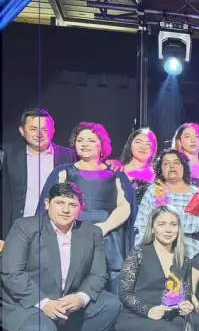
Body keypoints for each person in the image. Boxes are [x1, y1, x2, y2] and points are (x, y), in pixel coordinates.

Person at [1, 183, 120, 331]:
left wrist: (81, 297)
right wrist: (44, 302)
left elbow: (98, 274)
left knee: (109, 303)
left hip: (67, 301)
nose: (65, 209)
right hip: (29, 302)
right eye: (60, 203)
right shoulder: (25, 227)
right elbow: (11, 273)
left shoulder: (92, 232)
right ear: (47, 204)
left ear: (81, 208)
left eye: (72, 205)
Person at [39, 122, 134, 292]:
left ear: (102, 145)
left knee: (110, 285)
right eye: (80, 140)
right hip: (72, 233)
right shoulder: (63, 171)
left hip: (108, 234)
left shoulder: (115, 174)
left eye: (91, 140)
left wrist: (104, 227)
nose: (84, 144)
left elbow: (125, 206)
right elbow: (52, 204)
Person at [115, 205, 199, 331]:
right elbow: (124, 292)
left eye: (173, 225)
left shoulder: (183, 259)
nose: (168, 230)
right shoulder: (138, 254)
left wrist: (188, 304)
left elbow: (185, 294)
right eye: (162, 224)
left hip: (170, 315)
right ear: (153, 229)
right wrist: (148, 310)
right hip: (137, 316)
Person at [0, 108, 75, 243]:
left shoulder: (67, 156)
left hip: (54, 230)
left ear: (53, 131)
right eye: (33, 129)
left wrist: (112, 165)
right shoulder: (7, 153)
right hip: (14, 230)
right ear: (22, 131)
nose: (39, 134)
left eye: (45, 130)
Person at [134, 149, 199, 259]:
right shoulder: (154, 190)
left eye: (176, 162)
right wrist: (139, 253)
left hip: (189, 253)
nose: (171, 166)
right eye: (166, 163)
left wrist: (174, 222)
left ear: (184, 167)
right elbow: (141, 224)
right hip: (156, 253)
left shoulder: (195, 193)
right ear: (161, 169)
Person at [119, 127, 158, 202]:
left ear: (154, 149)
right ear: (130, 145)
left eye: (148, 144)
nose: (143, 147)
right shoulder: (116, 170)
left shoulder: (159, 176)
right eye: (138, 142)